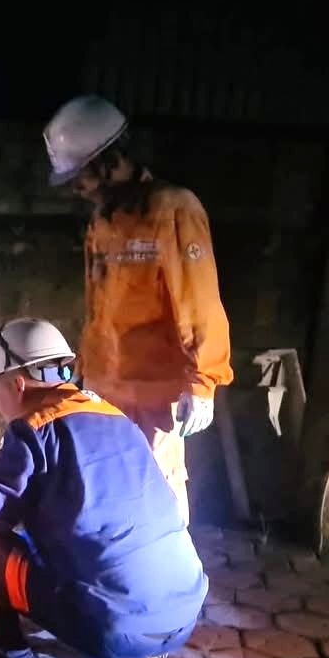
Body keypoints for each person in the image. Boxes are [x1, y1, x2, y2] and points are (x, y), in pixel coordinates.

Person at [0, 318, 208, 658]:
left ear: (17, 385)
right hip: (184, 607)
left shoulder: (32, 430)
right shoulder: (114, 416)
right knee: (104, 562)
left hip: (113, 624)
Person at [44, 94, 234, 524]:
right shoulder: (103, 221)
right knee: (111, 495)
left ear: (110, 161)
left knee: (156, 499)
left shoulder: (172, 209)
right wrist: (84, 369)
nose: (77, 188)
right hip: (107, 387)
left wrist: (203, 382)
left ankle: (166, 586)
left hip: (154, 393)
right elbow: (99, 306)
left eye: (82, 176)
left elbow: (199, 300)